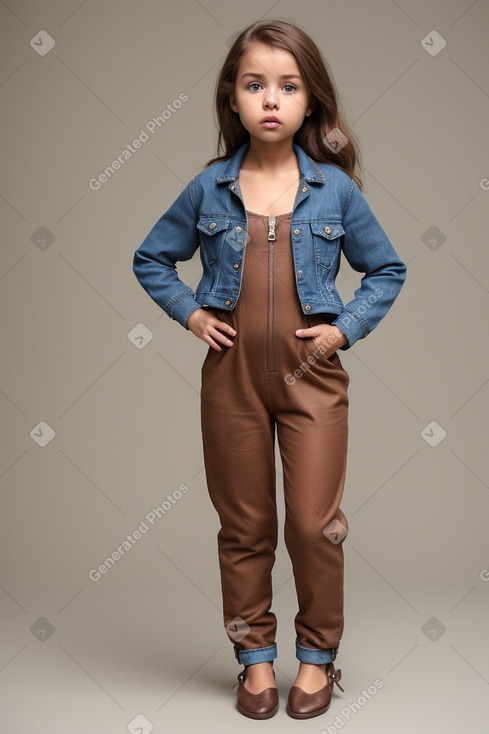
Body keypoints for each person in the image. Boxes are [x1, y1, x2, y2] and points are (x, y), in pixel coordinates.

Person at [132, 18, 407, 721]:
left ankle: (316, 659)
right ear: (232, 98)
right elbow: (150, 259)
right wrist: (192, 314)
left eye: (288, 86)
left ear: (310, 101)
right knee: (243, 526)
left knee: (315, 526)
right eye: (255, 85)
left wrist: (343, 328)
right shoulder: (207, 189)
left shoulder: (336, 192)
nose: (271, 100)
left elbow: (386, 270)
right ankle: (254, 660)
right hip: (230, 387)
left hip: (311, 381)